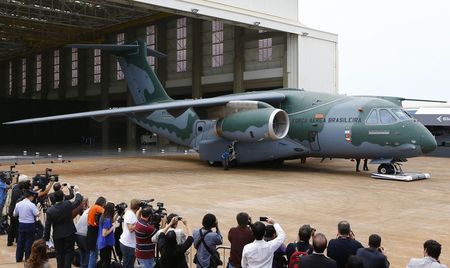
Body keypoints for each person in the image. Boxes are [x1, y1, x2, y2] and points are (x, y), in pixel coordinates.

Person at [44, 189, 83, 268]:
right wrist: (77, 191)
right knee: (68, 253)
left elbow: (47, 226)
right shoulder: (67, 204)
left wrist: (46, 239)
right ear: (63, 197)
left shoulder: (50, 211)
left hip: (57, 235)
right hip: (69, 233)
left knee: (59, 254)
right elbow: (77, 201)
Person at [14, 189, 40, 262]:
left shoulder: (18, 204)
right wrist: (37, 208)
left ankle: (18, 258)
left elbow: (14, 214)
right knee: (29, 242)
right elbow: (37, 214)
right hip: (30, 225)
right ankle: (27, 258)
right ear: (30, 196)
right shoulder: (31, 205)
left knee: (20, 241)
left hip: (21, 224)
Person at [8, 175, 31, 246]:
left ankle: (10, 241)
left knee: (12, 226)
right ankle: (18, 241)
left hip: (12, 209)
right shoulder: (18, 190)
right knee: (17, 226)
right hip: (15, 211)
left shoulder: (16, 187)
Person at [119, 199, 140, 268]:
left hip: (127, 244)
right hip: (128, 245)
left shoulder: (129, 213)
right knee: (128, 266)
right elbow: (131, 229)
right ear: (138, 207)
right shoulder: (130, 215)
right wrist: (139, 223)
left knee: (128, 265)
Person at [97, 202, 119, 268]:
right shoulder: (107, 219)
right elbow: (104, 233)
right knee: (106, 262)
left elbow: (111, 221)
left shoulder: (103, 216)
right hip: (105, 244)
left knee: (103, 260)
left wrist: (117, 214)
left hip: (102, 243)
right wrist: (114, 226)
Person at [87, 196, 106, 268]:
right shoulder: (99, 208)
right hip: (94, 233)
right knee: (93, 255)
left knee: (92, 254)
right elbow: (107, 214)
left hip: (90, 232)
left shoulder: (92, 207)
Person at [75, 198, 90, 268]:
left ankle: (82, 266)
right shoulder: (91, 211)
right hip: (82, 235)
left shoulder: (87, 211)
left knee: (82, 252)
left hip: (77, 234)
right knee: (87, 252)